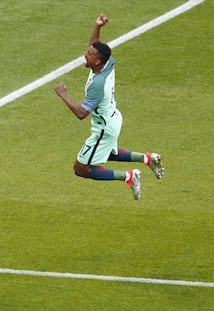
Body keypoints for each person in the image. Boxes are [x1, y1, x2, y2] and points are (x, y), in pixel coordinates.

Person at [54, 14, 164, 200]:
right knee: (107, 152)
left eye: (88, 55)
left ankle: (128, 177)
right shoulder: (107, 63)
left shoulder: (98, 85)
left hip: (104, 127)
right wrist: (98, 27)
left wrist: (64, 95)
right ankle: (147, 158)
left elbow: (81, 113)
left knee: (81, 168)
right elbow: (96, 46)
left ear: (97, 61)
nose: (85, 55)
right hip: (112, 118)